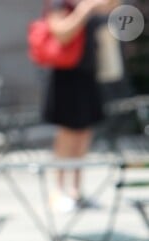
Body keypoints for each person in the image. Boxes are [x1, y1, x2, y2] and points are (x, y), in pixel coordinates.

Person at [42, 0, 118, 211]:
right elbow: (61, 33)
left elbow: (114, 5)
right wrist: (84, 10)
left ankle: (76, 191)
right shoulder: (60, 4)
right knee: (67, 134)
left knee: (84, 134)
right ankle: (57, 191)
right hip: (66, 77)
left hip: (88, 75)